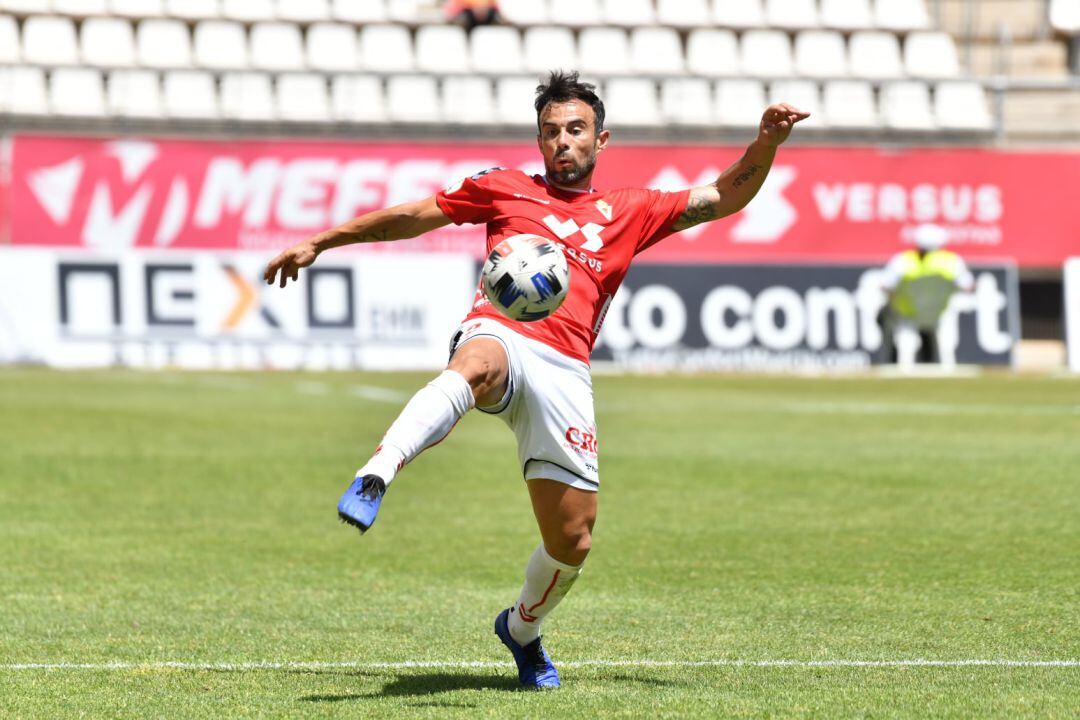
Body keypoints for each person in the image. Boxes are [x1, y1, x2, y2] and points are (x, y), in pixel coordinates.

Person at [263, 71, 808, 690]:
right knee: (477, 364)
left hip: (566, 368)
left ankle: (521, 629)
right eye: (550, 132)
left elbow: (722, 197)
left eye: (575, 130)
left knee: (573, 539)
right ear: (539, 139)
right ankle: (377, 472)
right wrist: (321, 241)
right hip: (499, 331)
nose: (562, 142)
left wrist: (766, 144)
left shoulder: (631, 210)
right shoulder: (504, 189)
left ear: (602, 139)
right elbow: (412, 217)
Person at [879, 224, 975, 370]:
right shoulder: (952, 262)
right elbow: (968, 287)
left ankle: (905, 369)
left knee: (903, 332)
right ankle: (948, 368)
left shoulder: (902, 261)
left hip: (910, 314)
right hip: (937, 313)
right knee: (944, 327)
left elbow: (885, 287)